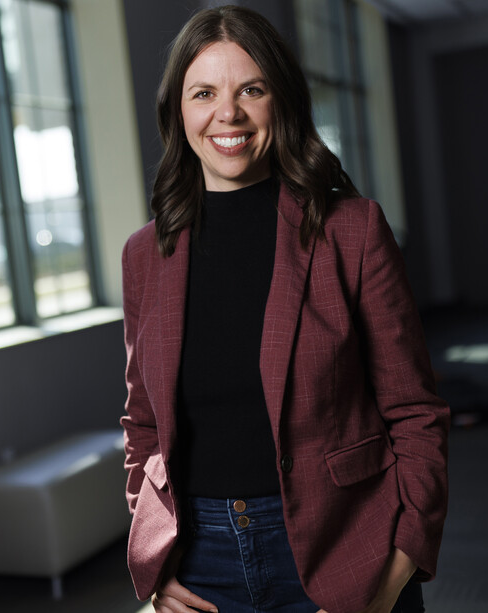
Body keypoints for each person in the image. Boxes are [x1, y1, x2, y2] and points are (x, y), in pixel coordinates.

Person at [120, 6, 449, 613]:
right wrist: (156, 565)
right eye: (203, 93)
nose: (228, 113)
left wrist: (393, 574)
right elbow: (144, 427)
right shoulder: (145, 254)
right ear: (179, 111)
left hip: (346, 547)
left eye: (251, 89)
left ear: (282, 101)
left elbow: (416, 415)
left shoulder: (352, 230)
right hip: (200, 563)